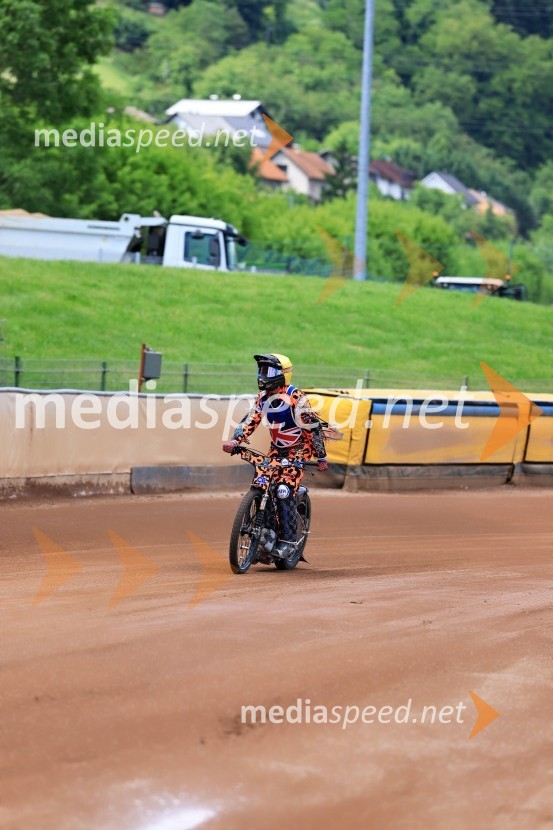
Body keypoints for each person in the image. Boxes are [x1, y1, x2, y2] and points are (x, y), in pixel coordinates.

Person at [223, 353, 329, 559]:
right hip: (276, 451)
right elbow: (250, 420)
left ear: (283, 374)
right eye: (261, 371)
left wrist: (321, 456)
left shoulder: (297, 398)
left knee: (282, 490)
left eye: (268, 371)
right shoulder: (262, 398)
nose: (263, 376)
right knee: (264, 485)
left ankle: (288, 541)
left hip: (298, 450)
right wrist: (236, 440)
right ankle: (266, 535)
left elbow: (312, 427)